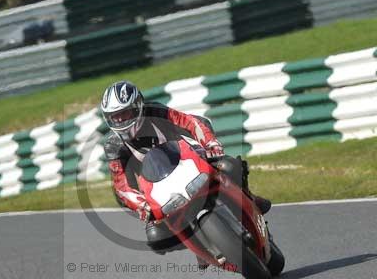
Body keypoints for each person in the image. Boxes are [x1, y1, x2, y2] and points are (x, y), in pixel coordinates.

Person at [100, 80, 271, 258]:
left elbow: (190, 122)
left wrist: (210, 143)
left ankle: (248, 198)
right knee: (156, 238)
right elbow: (121, 185)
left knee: (229, 166)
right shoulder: (113, 146)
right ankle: (199, 243)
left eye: (125, 113)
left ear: (138, 106)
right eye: (115, 116)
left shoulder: (157, 112)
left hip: (187, 160)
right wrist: (141, 205)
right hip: (155, 187)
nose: (120, 120)